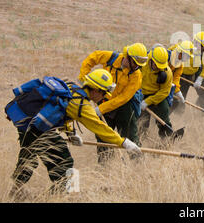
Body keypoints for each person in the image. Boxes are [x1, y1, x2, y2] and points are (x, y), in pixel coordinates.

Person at [8, 69, 141, 200]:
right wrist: (123, 142)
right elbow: (101, 129)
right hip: (39, 131)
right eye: (104, 92)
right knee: (66, 163)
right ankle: (63, 197)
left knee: (27, 159)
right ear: (95, 90)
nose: (104, 96)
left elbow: (59, 111)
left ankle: (15, 191)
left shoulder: (72, 88)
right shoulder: (82, 106)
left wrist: (71, 133)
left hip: (26, 124)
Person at [78, 43, 147, 164]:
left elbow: (123, 98)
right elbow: (92, 58)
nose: (137, 67)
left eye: (139, 65)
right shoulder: (111, 57)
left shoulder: (136, 75)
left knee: (130, 135)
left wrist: (101, 109)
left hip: (124, 106)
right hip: (103, 99)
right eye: (135, 63)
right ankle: (105, 165)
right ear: (128, 57)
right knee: (103, 135)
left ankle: (138, 164)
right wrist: (84, 78)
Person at [139, 45, 179, 139]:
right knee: (141, 120)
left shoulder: (167, 72)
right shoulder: (142, 63)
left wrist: (147, 102)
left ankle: (166, 138)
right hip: (141, 93)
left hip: (157, 95)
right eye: (156, 65)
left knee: (164, 111)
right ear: (151, 60)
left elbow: (164, 92)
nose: (158, 68)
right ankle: (141, 139)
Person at [171, 31, 204, 113]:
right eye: (201, 46)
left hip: (194, 75)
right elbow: (174, 50)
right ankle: (178, 114)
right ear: (196, 42)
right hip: (181, 75)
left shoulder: (202, 54)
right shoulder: (186, 47)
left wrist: (200, 79)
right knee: (180, 97)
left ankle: (202, 111)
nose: (203, 49)